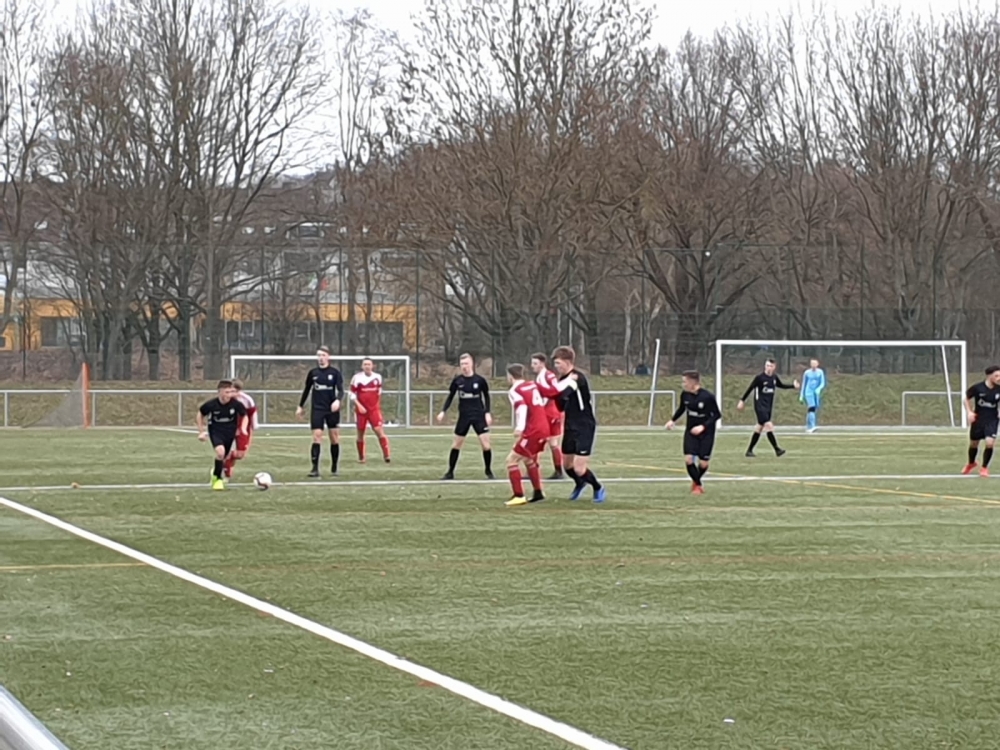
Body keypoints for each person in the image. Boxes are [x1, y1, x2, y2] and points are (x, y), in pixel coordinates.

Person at [545, 345, 605, 503]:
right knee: (567, 466)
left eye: (558, 363)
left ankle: (597, 487)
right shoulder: (563, 380)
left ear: (567, 361)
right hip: (570, 425)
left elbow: (565, 392)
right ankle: (580, 483)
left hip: (584, 425)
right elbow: (560, 405)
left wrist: (553, 392)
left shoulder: (577, 378)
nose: (556, 366)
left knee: (579, 468)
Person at [436, 352, 494, 480]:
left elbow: (486, 396)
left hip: (478, 416)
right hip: (464, 416)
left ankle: (488, 471)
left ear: (472, 364)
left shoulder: (480, 380)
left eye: (466, 363)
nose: (464, 366)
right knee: (456, 444)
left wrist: (487, 412)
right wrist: (443, 411)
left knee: (486, 445)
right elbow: (450, 396)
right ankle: (450, 472)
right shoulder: (458, 381)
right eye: (462, 364)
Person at [666, 370, 721, 495]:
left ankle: (696, 480)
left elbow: (717, 415)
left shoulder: (707, 397)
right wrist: (672, 420)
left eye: (685, 381)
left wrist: (703, 426)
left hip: (706, 433)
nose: (683, 384)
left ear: (693, 382)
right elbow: (682, 409)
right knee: (689, 459)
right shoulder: (685, 395)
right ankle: (698, 485)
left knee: (703, 463)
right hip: (690, 432)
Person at [296, 346, 344, 477]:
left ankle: (334, 467)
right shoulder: (313, 373)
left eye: (323, 355)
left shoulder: (335, 373)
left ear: (328, 357)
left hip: (331, 409)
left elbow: (341, 390)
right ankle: (314, 469)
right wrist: (300, 406)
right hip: (317, 409)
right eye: (319, 355)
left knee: (334, 438)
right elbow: (307, 390)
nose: (321, 358)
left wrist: (337, 400)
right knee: (317, 436)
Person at [503, 363, 548, 507]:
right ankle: (538, 492)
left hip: (533, 430)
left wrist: (520, 428)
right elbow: (543, 399)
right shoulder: (532, 385)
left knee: (511, 460)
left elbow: (522, 407)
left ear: (510, 376)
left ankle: (519, 495)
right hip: (543, 427)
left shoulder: (515, 390)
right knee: (529, 459)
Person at [737, 358, 800, 457]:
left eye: (770, 366)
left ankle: (749, 451)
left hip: (768, 406)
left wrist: (793, 386)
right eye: (767, 365)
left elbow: (781, 385)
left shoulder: (774, 378)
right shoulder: (759, 378)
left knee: (759, 427)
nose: (768, 368)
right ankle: (777, 449)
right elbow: (750, 388)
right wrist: (742, 400)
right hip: (760, 406)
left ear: (774, 367)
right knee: (769, 426)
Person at [197, 380, 248, 491]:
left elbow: (245, 415)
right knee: (220, 452)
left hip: (229, 433)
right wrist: (201, 431)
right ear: (220, 392)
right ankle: (218, 479)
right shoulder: (212, 404)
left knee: (223, 457)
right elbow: (200, 414)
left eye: (231, 392)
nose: (229, 395)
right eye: (226, 392)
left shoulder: (235, 404)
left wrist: (243, 428)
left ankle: (215, 473)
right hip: (216, 432)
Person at [530, 352, 565, 479]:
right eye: (532, 363)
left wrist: (540, 408)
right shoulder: (543, 376)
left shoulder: (546, 376)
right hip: (551, 412)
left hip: (549, 413)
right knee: (552, 443)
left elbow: (554, 392)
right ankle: (558, 471)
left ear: (542, 364)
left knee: (536, 440)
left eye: (535, 363)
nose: (532, 366)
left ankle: (534, 470)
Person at [350, 358, 391, 464]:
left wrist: (376, 406)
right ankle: (361, 457)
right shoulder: (357, 378)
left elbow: (379, 392)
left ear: (372, 366)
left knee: (379, 431)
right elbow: (352, 394)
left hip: (373, 410)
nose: (367, 366)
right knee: (360, 433)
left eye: (369, 364)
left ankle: (386, 455)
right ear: (362, 366)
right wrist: (359, 406)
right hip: (361, 411)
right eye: (365, 364)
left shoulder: (378, 377)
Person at [963, 365, 1000, 477]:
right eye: (996, 376)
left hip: (992, 419)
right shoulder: (978, 388)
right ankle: (971, 463)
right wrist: (969, 412)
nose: (999, 378)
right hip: (978, 419)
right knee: (974, 444)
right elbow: (966, 398)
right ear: (989, 376)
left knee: (989, 443)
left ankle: (984, 468)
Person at [223, 379, 258, 479]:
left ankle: (228, 459)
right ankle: (226, 467)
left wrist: (254, 425)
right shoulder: (225, 399)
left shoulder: (247, 400)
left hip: (244, 427)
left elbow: (252, 412)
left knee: (240, 454)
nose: (233, 394)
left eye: (236, 391)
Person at [800, 358, 826, 433]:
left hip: (816, 393)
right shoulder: (807, 373)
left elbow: (822, 383)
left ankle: (808, 426)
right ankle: (812, 426)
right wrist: (801, 395)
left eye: (815, 363)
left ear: (817, 364)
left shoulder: (820, 372)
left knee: (813, 409)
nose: (813, 365)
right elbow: (804, 384)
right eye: (812, 363)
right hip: (808, 392)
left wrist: (819, 389)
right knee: (812, 407)